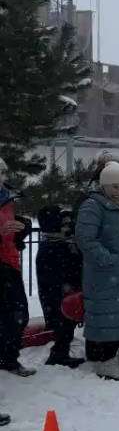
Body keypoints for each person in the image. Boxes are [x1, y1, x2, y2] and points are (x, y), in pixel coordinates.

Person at [75, 162, 119, 382]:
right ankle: (106, 359)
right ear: (104, 185)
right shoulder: (93, 206)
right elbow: (85, 239)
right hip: (105, 273)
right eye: (114, 186)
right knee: (108, 316)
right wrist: (109, 260)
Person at [35, 205, 85, 367]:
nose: (66, 226)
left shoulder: (59, 243)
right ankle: (58, 355)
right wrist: (67, 286)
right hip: (58, 296)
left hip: (64, 294)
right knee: (62, 327)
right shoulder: (52, 246)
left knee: (66, 326)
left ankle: (60, 353)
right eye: (63, 223)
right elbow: (56, 274)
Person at [0, 160, 35, 377]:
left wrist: (22, 228)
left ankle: (8, 358)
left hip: (8, 263)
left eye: (3, 172)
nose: (2, 177)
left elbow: (10, 228)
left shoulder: (7, 196)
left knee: (17, 314)